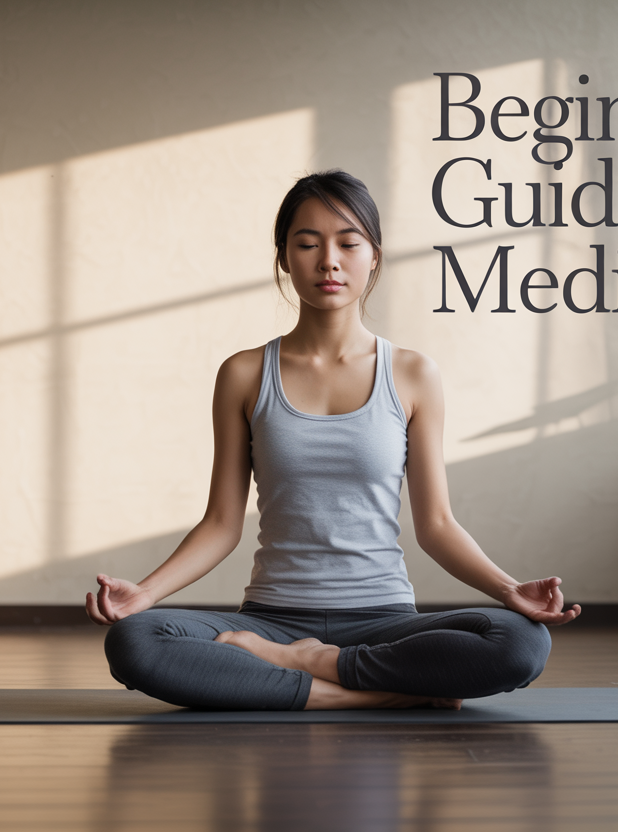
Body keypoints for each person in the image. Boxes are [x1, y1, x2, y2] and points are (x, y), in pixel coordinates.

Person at [85, 170, 580, 710]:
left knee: (521, 643)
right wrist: (147, 594)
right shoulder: (245, 374)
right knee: (134, 641)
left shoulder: (413, 374)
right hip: (270, 621)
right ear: (283, 258)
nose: (329, 261)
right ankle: (380, 696)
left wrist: (510, 592)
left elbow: (436, 525)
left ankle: (307, 668)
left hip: (385, 621)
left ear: (374, 256)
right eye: (307, 243)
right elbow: (222, 523)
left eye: (348, 242)